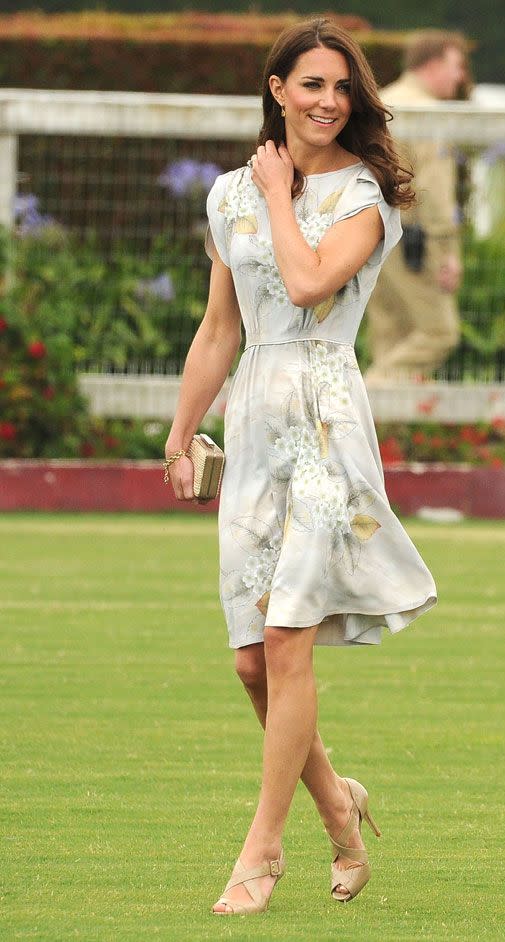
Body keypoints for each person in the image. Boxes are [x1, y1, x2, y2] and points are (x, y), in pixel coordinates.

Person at [164, 17, 437, 915]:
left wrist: (280, 194)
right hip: (251, 425)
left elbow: (313, 283)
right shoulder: (228, 194)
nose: (327, 101)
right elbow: (220, 327)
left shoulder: (367, 195)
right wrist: (180, 431)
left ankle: (263, 851)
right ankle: (340, 807)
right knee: (251, 659)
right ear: (276, 88)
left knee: (288, 642)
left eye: (341, 87)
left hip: (325, 425)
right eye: (310, 84)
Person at [364, 30, 470, 383]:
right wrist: (447, 251)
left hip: (368, 237)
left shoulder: (381, 101)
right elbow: (434, 191)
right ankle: (347, 410)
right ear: (434, 63)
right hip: (414, 240)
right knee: (439, 333)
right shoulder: (428, 113)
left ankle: (376, 435)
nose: (461, 76)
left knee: (389, 337)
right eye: (456, 65)